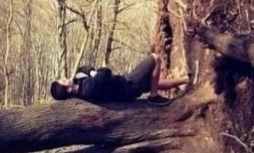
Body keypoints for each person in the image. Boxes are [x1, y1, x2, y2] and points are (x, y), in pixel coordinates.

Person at [50, 54, 196, 106]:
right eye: (62, 81)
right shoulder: (88, 88)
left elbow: (83, 67)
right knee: (155, 58)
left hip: (124, 84)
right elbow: (105, 72)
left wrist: (85, 71)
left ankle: (185, 80)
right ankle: (153, 97)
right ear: (68, 89)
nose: (64, 78)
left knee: (155, 83)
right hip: (129, 86)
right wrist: (94, 72)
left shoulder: (80, 85)